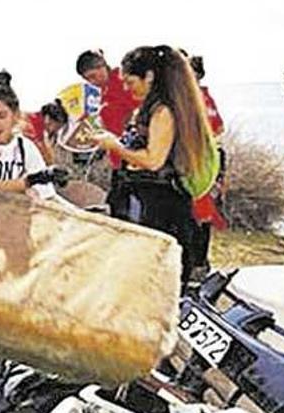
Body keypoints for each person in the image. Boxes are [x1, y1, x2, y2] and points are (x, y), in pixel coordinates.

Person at [93, 46, 219, 283]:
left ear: (149, 76)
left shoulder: (163, 111)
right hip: (151, 207)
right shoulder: (153, 107)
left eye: (130, 81)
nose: (128, 88)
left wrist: (114, 146)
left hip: (160, 213)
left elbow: (154, 160)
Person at [0, 84, 66, 199]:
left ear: (15, 116)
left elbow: (47, 194)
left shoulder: (25, 147)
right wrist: (30, 181)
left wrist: (36, 190)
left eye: (1, 116)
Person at [185, 52, 228, 280]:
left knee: (197, 213)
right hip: (213, 159)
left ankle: (195, 266)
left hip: (200, 162)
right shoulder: (206, 96)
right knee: (204, 213)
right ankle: (199, 264)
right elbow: (220, 129)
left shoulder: (191, 99)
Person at [75, 49, 140, 169]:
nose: (92, 82)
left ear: (102, 66)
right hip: (117, 157)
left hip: (134, 155)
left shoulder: (123, 81)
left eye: (93, 76)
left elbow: (139, 111)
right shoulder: (103, 92)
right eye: (87, 79)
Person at [23, 99, 68, 165]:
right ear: (48, 119)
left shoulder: (42, 127)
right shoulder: (33, 125)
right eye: (58, 127)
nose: (57, 130)